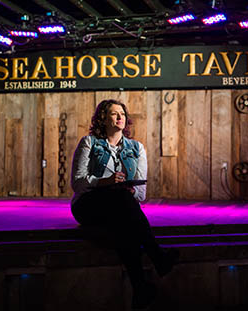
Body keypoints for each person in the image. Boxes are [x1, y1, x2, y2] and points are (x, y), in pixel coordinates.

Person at [70, 99, 179, 309]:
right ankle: (158, 257)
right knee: (121, 205)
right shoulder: (89, 143)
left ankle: (140, 289)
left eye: (122, 114)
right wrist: (105, 182)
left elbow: (140, 193)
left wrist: (130, 191)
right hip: (88, 205)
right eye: (114, 114)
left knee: (123, 222)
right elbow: (78, 183)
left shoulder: (137, 148)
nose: (120, 117)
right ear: (102, 118)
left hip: (120, 208)